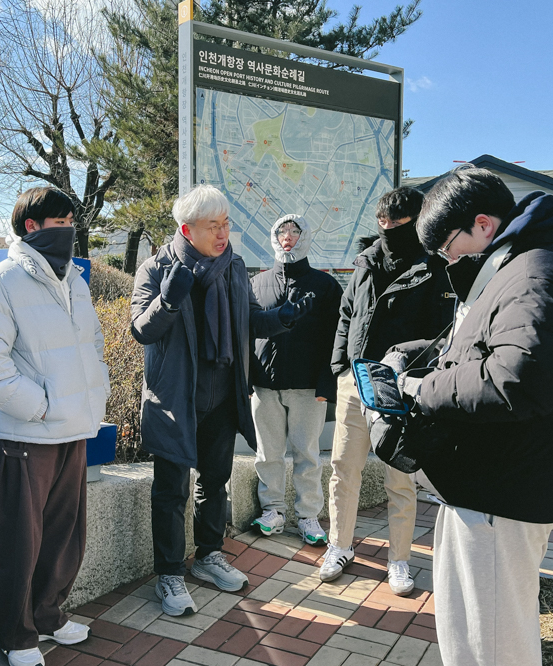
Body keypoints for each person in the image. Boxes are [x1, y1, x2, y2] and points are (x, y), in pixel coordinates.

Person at [406, 165, 553, 666]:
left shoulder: (535, 272)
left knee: (491, 653)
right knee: (478, 643)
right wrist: (419, 357)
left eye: (448, 247)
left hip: (504, 492)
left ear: (484, 225)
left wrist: (421, 388)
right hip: (495, 487)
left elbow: (519, 380)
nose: (447, 262)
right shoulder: (516, 266)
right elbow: (488, 353)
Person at [130, 185, 312, 616]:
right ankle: (169, 573)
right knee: (171, 491)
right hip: (175, 399)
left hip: (223, 395)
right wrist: (168, 301)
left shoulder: (233, 266)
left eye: (226, 224)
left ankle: (209, 555)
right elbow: (141, 329)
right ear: (186, 230)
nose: (222, 233)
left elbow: (251, 319)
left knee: (214, 482)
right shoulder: (156, 268)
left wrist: (283, 318)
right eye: (213, 226)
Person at [0, 187, 110, 666]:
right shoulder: (2, 281)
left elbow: (92, 343)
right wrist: (42, 407)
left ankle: (47, 615)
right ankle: (16, 633)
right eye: (59, 222)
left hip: (75, 428)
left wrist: (94, 394)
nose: (69, 230)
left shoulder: (74, 280)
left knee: (66, 534)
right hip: (29, 434)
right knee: (20, 541)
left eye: (72, 221)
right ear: (31, 225)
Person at [321, 187, 454, 592]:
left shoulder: (434, 267)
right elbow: (347, 313)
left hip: (400, 387)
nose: (388, 227)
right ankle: (339, 545)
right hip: (356, 380)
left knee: (400, 478)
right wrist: (340, 367)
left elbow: (442, 332)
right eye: (382, 220)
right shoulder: (366, 261)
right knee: (344, 468)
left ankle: (399, 559)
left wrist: (405, 367)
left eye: (396, 221)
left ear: (416, 221)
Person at [249, 214, 342, 545]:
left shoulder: (325, 286)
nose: (287, 237)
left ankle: (308, 515)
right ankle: (272, 510)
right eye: (281, 231)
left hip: (309, 387)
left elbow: (336, 338)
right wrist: (246, 380)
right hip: (264, 385)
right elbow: (246, 332)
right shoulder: (256, 284)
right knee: (267, 453)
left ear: (306, 237)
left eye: (294, 231)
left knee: (308, 454)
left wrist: (327, 384)